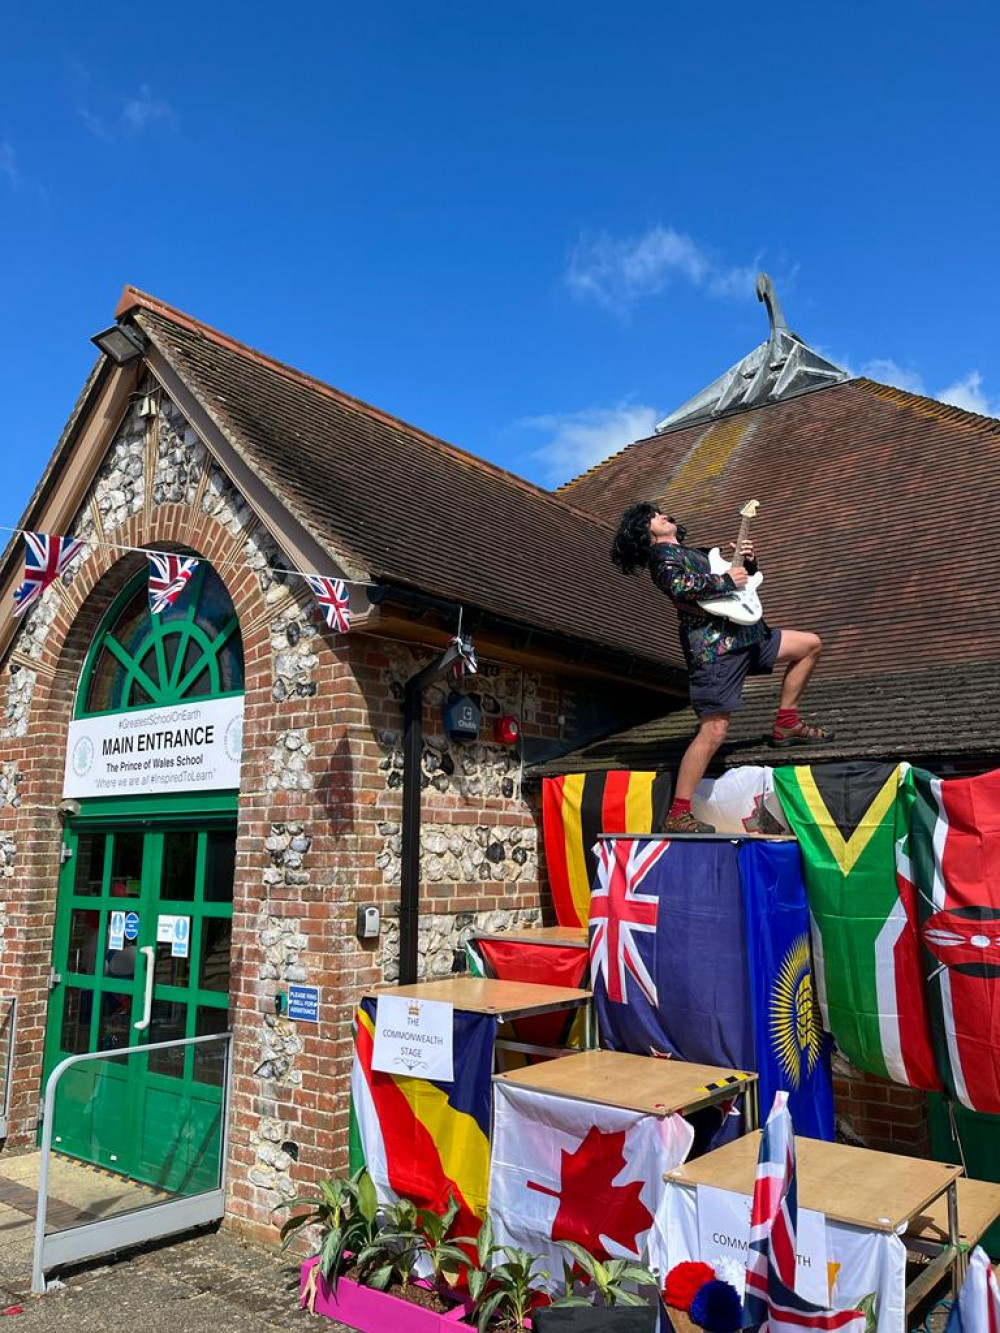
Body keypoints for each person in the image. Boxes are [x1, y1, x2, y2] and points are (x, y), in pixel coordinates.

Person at [610, 502, 833, 834]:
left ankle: (787, 722)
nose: (664, 515)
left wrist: (747, 561)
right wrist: (727, 577)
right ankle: (679, 812)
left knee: (810, 644)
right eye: (654, 516)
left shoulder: (697, 553)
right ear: (645, 532)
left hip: (747, 635)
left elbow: (745, 581)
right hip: (716, 650)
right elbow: (680, 587)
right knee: (714, 731)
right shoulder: (661, 558)